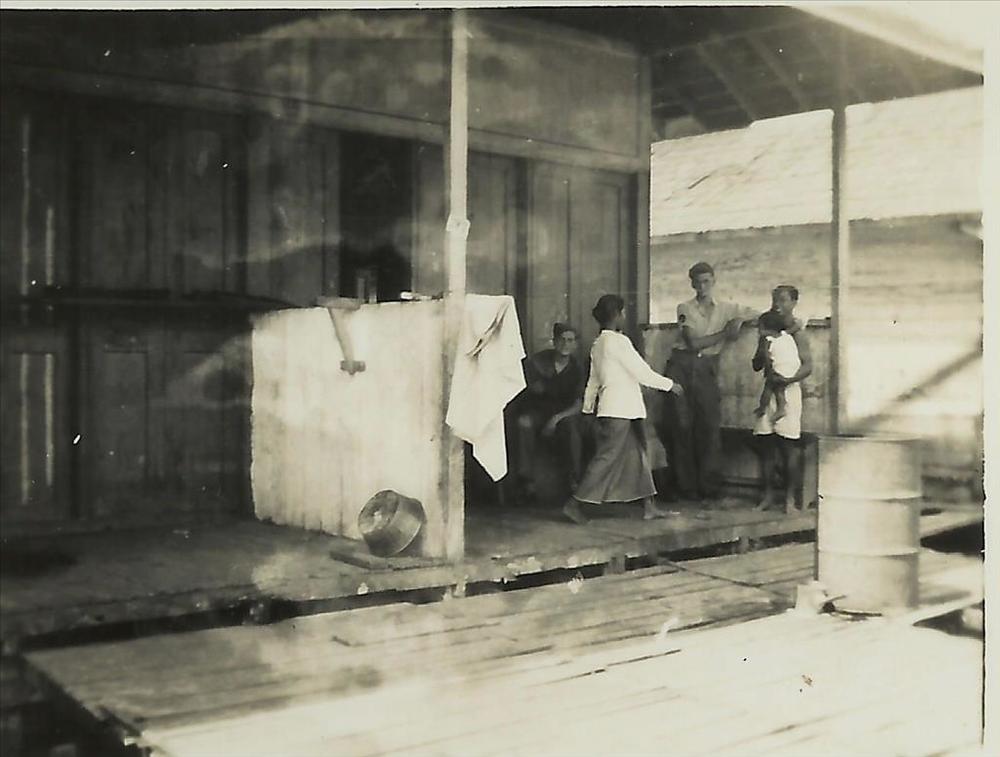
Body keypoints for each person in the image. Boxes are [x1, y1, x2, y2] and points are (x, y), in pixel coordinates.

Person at [563, 294, 685, 525]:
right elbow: (642, 372)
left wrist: (588, 409)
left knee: (638, 455)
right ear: (617, 315)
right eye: (622, 312)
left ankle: (649, 506)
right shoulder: (619, 342)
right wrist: (670, 385)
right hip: (620, 411)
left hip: (617, 410)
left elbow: (593, 381)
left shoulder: (598, 344)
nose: (624, 316)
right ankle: (574, 503)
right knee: (607, 458)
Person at [658, 261, 758, 505]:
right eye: (698, 282)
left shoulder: (727, 307)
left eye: (706, 282)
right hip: (681, 366)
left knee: (709, 425)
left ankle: (709, 487)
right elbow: (693, 343)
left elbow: (760, 314)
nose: (702, 287)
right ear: (692, 284)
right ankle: (686, 487)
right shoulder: (685, 308)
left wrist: (739, 320)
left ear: (714, 281)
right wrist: (726, 333)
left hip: (707, 369)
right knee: (681, 426)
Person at [752, 285, 812, 513]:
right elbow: (756, 365)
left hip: (788, 391)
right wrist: (762, 348)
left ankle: (789, 500)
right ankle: (767, 496)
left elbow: (808, 367)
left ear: (794, 303)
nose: (778, 304)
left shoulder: (798, 333)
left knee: (789, 447)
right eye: (775, 299)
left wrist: (787, 380)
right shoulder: (768, 329)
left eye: (783, 300)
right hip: (769, 391)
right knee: (766, 445)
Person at [513, 323, 586, 498]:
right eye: (562, 340)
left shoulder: (577, 368)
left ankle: (573, 480)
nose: (565, 344)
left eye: (570, 340)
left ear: (575, 344)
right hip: (538, 411)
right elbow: (529, 393)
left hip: (563, 415)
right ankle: (526, 482)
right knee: (523, 424)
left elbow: (578, 403)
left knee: (571, 428)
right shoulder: (538, 362)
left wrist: (556, 419)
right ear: (554, 341)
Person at [753, 309, 801, 423]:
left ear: (767, 328)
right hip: (792, 369)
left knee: (768, 387)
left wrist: (769, 371)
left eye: (760, 328)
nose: (758, 331)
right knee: (779, 388)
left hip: (780, 368)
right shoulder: (785, 335)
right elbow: (796, 327)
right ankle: (781, 407)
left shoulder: (767, 339)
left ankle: (763, 408)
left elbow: (766, 357)